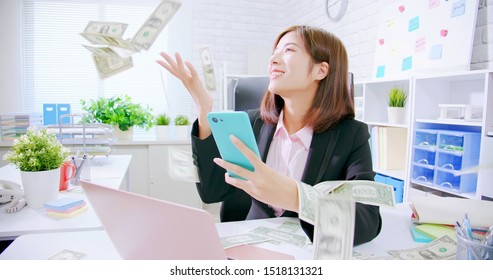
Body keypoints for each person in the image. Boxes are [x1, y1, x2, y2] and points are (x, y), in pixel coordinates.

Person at [156, 25, 382, 245]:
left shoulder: (352, 135)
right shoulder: (251, 123)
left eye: (289, 50)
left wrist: (296, 197)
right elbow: (211, 192)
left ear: (320, 70)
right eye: (274, 53)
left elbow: (368, 221)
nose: (273, 60)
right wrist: (204, 108)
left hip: (307, 252)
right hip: (253, 247)